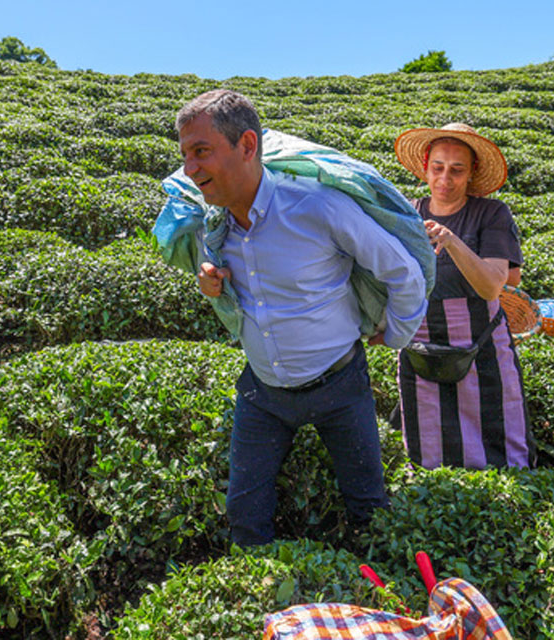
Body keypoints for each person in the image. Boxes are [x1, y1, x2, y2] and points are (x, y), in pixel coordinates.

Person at [177, 90, 428, 545]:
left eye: (201, 152)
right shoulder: (211, 225)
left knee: (368, 508)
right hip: (263, 393)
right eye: (185, 156)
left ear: (248, 145)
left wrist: (396, 334)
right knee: (245, 515)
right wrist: (210, 285)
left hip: (340, 385)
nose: (190, 169)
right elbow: (223, 285)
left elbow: (403, 272)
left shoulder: (317, 207)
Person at [391, 123, 533, 469]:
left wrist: (452, 241)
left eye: (457, 170)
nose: (445, 178)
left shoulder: (491, 213)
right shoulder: (407, 213)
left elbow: (491, 287)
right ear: (425, 168)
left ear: (472, 174)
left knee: (499, 436)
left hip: (482, 339)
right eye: (437, 167)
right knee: (429, 444)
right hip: (421, 342)